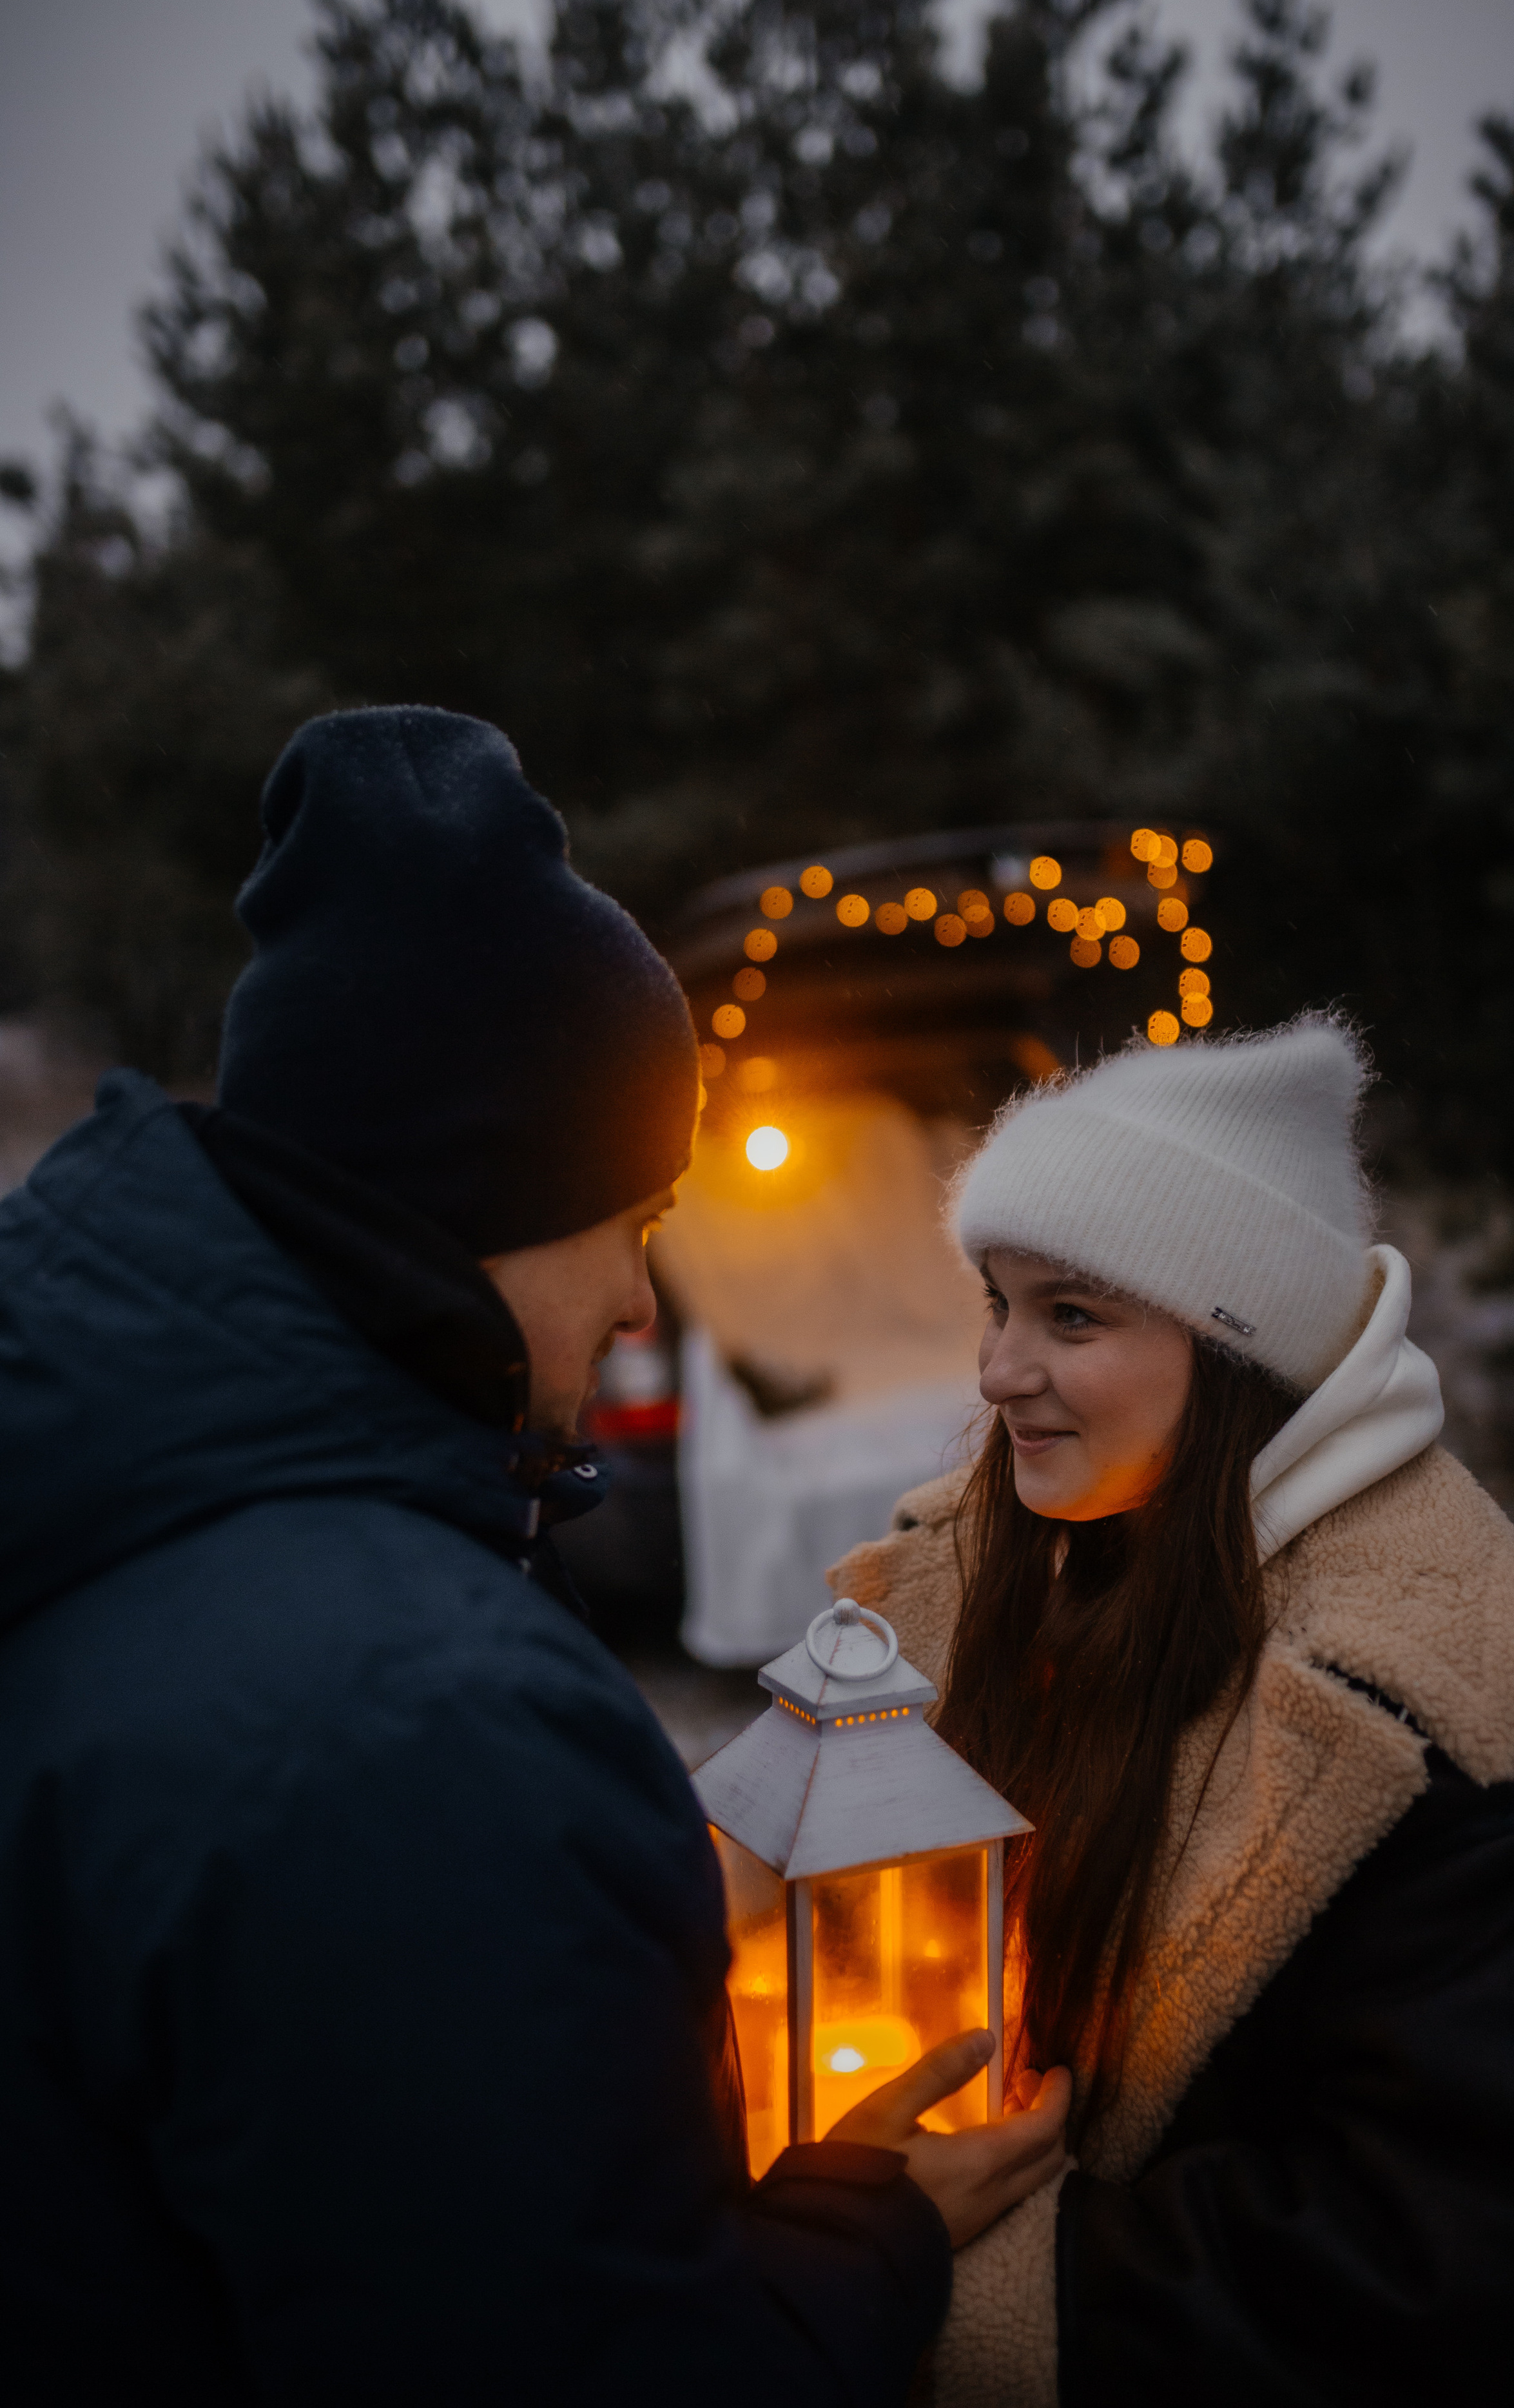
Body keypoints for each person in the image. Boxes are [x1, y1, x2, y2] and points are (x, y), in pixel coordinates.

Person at [0, 705, 1068, 2406]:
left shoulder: (111, 1485)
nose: (645, 1304)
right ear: (492, 1186)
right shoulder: (416, 1719)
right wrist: (877, 2239)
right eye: (635, 1227)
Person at [831, 1016, 1514, 2407]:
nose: (994, 1371)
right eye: (997, 1302)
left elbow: (1445, 2261)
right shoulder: (977, 1595)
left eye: (1070, 1314)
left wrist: (970, 2287)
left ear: (1230, 1353)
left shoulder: (1447, 1722)